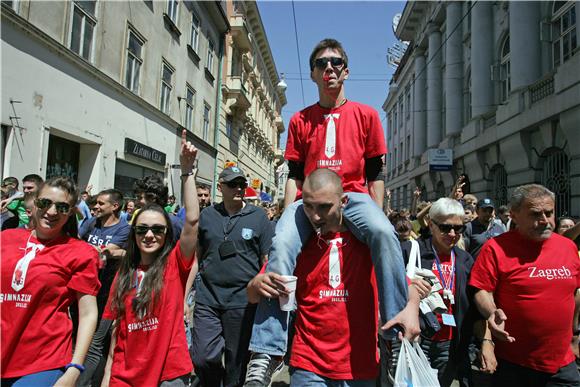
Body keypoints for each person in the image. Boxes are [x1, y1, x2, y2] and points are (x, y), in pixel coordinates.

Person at [245, 38, 409, 384]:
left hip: (354, 195)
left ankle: (393, 333)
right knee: (283, 241)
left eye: (336, 62)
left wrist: (375, 216)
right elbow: (294, 174)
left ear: (346, 71)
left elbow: (375, 174)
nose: (330, 68)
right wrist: (288, 215)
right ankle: (268, 349)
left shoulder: (366, 115)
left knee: (383, 233)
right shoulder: (302, 120)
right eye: (322, 64)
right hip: (310, 197)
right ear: (314, 74)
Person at [247, 169, 421, 386]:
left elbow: (406, 286)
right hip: (308, 364)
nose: (315, 216)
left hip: (360, 367)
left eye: (324, 207)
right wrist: (255, 284)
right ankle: (267, 355)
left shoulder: (370, 244)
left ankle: (392, 343)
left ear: (343, 202)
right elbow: (254, 294)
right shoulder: (296, 245)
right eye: (308, 206)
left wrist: (412, 309)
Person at [101, 130, 199, 386]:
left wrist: (187, 172)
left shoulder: (174, 264)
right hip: (126, 374)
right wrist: (107, 375)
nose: (149, 235)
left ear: (167, 234)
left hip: (169, 372)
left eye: (158, 229)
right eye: (142, 229)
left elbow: (192, 220)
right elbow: (115, 332)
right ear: (133, 233)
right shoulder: (124, 272)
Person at [469, 184, 580, 387]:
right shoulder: (496, 248)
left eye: (549, 213)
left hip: (563, 365)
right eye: (536, 214)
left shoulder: (568, 247)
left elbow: (575, 293)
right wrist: (491, 312)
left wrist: (576, 334)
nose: (545, 220)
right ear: (515, 215)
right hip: (516, 365)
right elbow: (482, 289)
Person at [1, 176, 100, 386]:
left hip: (42, 361)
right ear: (34, 203)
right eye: (45, 203)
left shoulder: (80, 253)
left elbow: (88, 313)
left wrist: (75, 368)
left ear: (71, 212)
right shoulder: (6, 239)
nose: (52, 212)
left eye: (62, 207)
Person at [398, 198, 494, 387]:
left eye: (458, 229)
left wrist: (486, 342)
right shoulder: (410, 251)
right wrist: (407, 282)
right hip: (416, 340)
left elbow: (475, 305)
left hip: (450, 343)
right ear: (431, 225)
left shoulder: (464, 259)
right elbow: (382, 283)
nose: (452, 234)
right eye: (445, 228)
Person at [191, 166, 273, 387]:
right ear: (220, 187)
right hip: (208, 298)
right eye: (233, 184)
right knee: (203, 356)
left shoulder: (258, 216)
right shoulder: (207, 215)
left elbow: (266, 259)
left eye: (242, 185)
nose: (239, 188)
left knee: (237, 366)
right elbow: (196, 258)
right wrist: (184, 295)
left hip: (242, 302)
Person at [77, 189, 131, 386]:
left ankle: (81, 383)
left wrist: (102, 252)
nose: (95, 207)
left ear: (114, 206)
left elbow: (110, 251)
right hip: (85, 290)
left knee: (94, 344)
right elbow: (77, 243)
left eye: (100, 204)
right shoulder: (91, 223)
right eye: (95, 203)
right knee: (80, 338)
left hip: (108, 293)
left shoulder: (124, 229)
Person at [134, 174, 183, 241]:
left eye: (140, 198)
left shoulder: (174, 224)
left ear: (152, 198)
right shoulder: (138, 220)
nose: (136, 202)